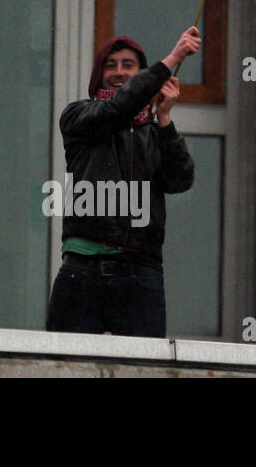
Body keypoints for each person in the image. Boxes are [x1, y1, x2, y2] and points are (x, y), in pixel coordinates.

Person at [46, 27, 200, 337]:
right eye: (110, 65)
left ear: (142, 73)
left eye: (128, 65)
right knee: (64, 367)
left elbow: (181, 179)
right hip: (81, 269)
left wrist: (166, 120)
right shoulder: (78, 115)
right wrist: (173, 58)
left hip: (140, 273)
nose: (119, 72)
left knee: (143, 369)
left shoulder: (155, 133)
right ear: (98, 74)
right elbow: (118, 108)